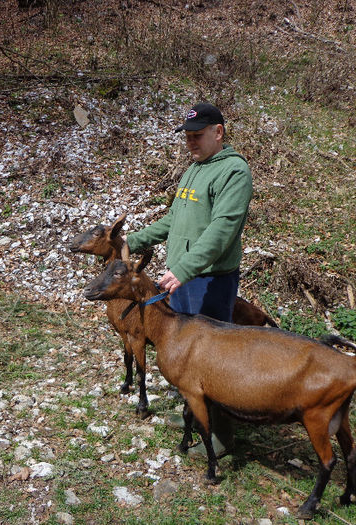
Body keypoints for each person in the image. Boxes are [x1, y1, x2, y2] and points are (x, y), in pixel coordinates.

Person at [125, 102, 253, 457]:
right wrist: (132, 241)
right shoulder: (194, 169)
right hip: (180, 279)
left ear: (218, 132)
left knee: (213, 360)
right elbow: (174, 221)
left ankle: (223, 437)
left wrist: (185, 268)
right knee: (183, 353)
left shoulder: (233, 172)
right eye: (187, 137)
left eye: (197, 136)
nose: (191, 143)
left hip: (208, 280)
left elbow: (223, 229)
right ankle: (195, 416)